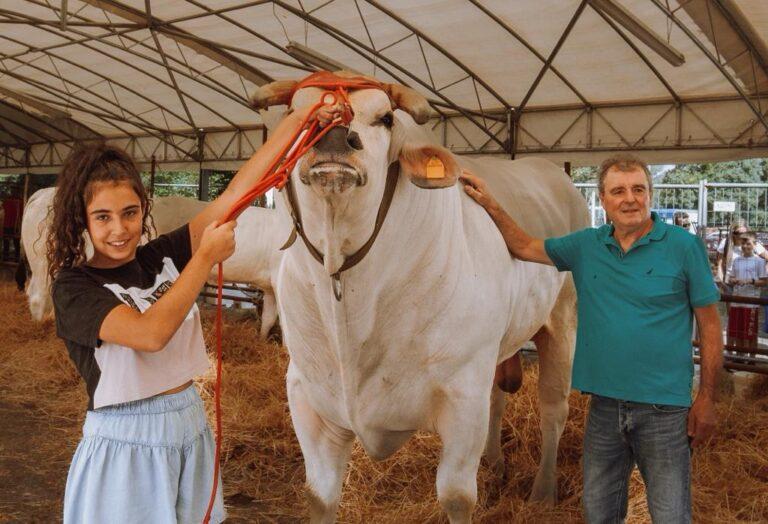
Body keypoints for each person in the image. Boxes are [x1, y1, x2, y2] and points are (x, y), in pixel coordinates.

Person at [48, 104, 341, 523]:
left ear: (142, 209)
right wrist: (203, 258)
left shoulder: (157, 257)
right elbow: (150, 334)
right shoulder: (74, 287)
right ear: (83, 220)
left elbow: (234, 196)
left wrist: (297, 122)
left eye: (130, 213)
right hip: (127, 440)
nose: (120, 229)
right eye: (103, 217)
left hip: (188, 420)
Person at [460, 154, 722, 524]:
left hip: (664, 410)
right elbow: (523, 246)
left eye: (638, 189)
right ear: (603, 200)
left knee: (670, 514)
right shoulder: (586, 246)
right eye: (618, 191)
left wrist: (708, 398)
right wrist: (490, 202)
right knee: (598, 513)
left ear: (650, 194)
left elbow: (711, 326)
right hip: (604, 408)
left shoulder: (684, 247)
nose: (629, 199)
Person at [726, 232, 766, 362]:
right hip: (737, 300)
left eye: (748, 243)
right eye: (743, 243)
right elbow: (731, 277)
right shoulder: (736, 261)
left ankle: (752, 358)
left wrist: (750, 281)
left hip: (751, 302)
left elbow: (764, 281)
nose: (745, 246)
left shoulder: (759, 261)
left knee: (750, 333)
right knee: (737, 331)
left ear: (754, 245)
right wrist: (734, 281)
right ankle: (739, 357)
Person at [716, 219, 768, 289]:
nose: (741, 235)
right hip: (730, 284)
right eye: (738, 233)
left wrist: (763, 272)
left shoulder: (754, 244)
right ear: (733, 233)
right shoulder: (726, 243)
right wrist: (721, 284)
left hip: (752, 286)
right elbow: (720, 265)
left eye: (744, 233)